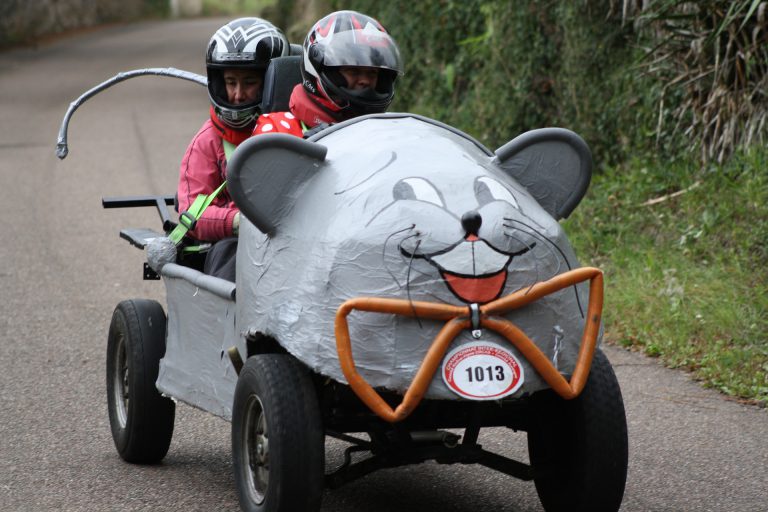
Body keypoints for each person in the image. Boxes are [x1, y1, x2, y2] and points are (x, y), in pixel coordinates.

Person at [176, 17, 288, 281]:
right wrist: (240, 223)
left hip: (291, 240)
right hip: (231, 245)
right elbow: (192, 214)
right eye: (230, 82)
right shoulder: (207, 142)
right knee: (233, 252)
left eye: (249, 82)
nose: (237, 95)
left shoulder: (296, 131)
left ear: (271, 80)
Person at [253, 10, 404, 138]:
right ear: (318, 68)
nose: (365, 80)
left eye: (372, 73)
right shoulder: (276, 130)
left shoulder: (389, 131)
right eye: (353, 71)